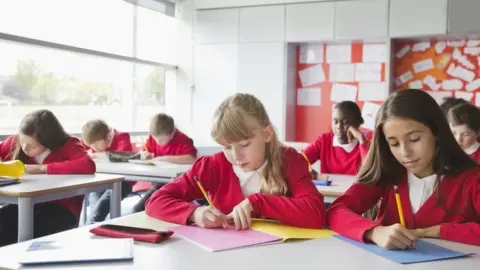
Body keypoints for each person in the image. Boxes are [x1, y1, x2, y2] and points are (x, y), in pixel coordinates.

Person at [145, 93, 325, 229]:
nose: (236, 156)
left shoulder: (290, 161)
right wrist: (195, 213)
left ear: (267, 134)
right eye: (227, 147)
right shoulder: (211, 166)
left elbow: (316, 214)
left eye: (244, 144)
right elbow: (156, 201)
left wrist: (258, 203)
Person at [326, 89, 480, 249]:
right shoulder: (388, 173)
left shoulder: (471, 180)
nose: (405, 152)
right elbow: (336, 211)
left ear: (436, 132)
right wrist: (374, 232)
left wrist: (437, 231)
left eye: (414, 139)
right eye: (394, 143)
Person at [0, 109, 95, 246]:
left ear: (48, 141)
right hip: (26, 205)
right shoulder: (18, 140)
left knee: (26, 232)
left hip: (61, 210)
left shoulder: (68, 144)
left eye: (32, 145)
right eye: (22, 141)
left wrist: (42, 169)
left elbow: (88, 164)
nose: (25, 148)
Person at [132, 113, 197, 213]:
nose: (158, 142)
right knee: (137, 210)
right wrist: (144, 155)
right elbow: (144, 152)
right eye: (155, 138)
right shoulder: (152, 139)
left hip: (178, 185)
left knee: (142, 209)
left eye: (161, 139)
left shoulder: (183, 140)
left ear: (172, 133)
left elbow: (191, 158)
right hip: (159, 183)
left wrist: (165, 158)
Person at [81, 119, 134, 224]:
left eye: (95, 144)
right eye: (91, 145)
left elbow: (121, 156)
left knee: (97, 212)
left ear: (108, 137)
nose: (93, 148)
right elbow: (82, 154)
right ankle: (95, 231)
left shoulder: (122, 137)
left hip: (123, 182)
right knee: (95, 209)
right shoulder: (93, 138)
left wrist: (95, 155)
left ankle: (87, 234)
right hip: (102, 180)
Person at [303, 101, 370, 175]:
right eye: (335, 122)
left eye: (345, 122)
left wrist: (361, 139)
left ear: (356, 123)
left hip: (354, 186)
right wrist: (311, 173)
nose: (339, 127)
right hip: (328, 187)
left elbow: (369, 172)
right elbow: (299, 160)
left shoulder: (365, 144)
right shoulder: (324, 141)